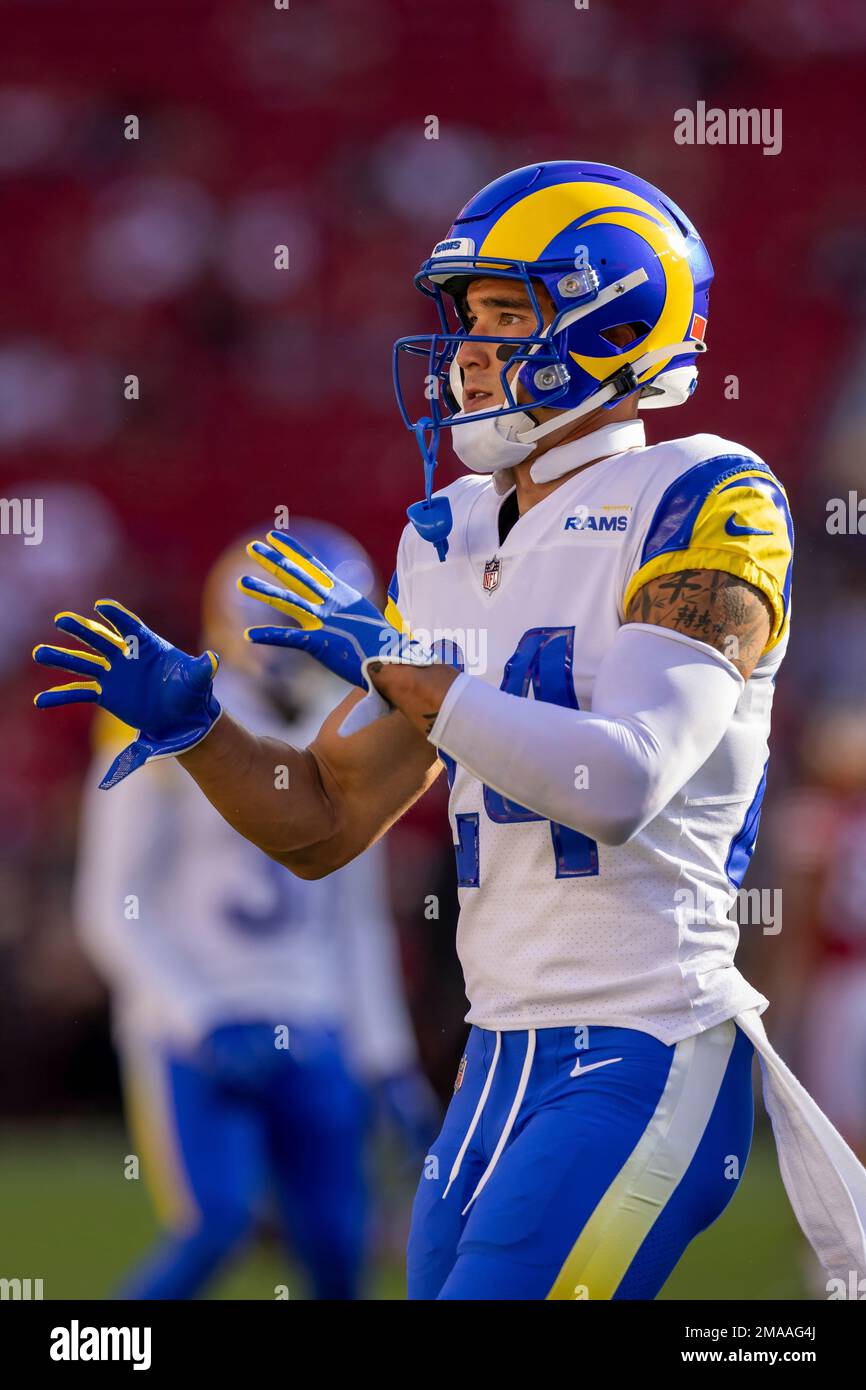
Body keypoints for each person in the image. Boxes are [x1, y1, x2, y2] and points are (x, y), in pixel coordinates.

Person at [34, 161, 866, 1300]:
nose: (469, 347)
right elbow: (327, 821)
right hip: (496, 1050)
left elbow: (621, 779)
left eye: (508, 313)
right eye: (467, 316)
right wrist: (199, 736)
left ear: (614, 320)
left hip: (646, 1037)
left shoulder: (705, 495)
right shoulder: (445, 530)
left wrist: (412, 675)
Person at [73, 522, 435, 1300]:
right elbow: (111, 903)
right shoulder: (170, 702)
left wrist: (386, 1058)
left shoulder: (349, 720)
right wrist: (197, 1014)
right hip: (193, 1027)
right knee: (218, 1227)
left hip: (315, 1019)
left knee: (339, 1249)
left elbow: (356, 917)